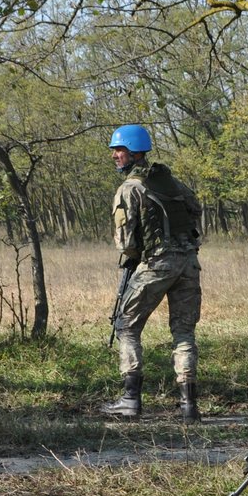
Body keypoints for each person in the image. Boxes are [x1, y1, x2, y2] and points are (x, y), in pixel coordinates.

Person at [100, 124, 204, 422]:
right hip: (188, 261)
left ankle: (130, 400)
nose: (114, 156)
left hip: (157, 263)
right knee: (184, 332)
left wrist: (139, 256)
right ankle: (188, 407)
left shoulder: (129, 189)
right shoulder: (169, 181)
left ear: (133, 152)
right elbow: (194, 208)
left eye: (118, 150)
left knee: (126, 325)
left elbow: (126, 243)